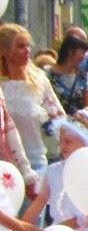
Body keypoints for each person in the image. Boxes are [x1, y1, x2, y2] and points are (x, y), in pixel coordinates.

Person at [1, 24, 66, 173]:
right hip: (4, 166)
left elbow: (59, 118)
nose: (27, 51)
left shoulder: (39, 81)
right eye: (21, 46)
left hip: (35, 162)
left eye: (28, 45)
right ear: (5, 50)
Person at [48, 35, 88, 116]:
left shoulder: (83, 77)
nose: (84, 57)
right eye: (83, 52)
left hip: (78, 122)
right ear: (70, 51)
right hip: (55, 121)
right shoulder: (48, 74)